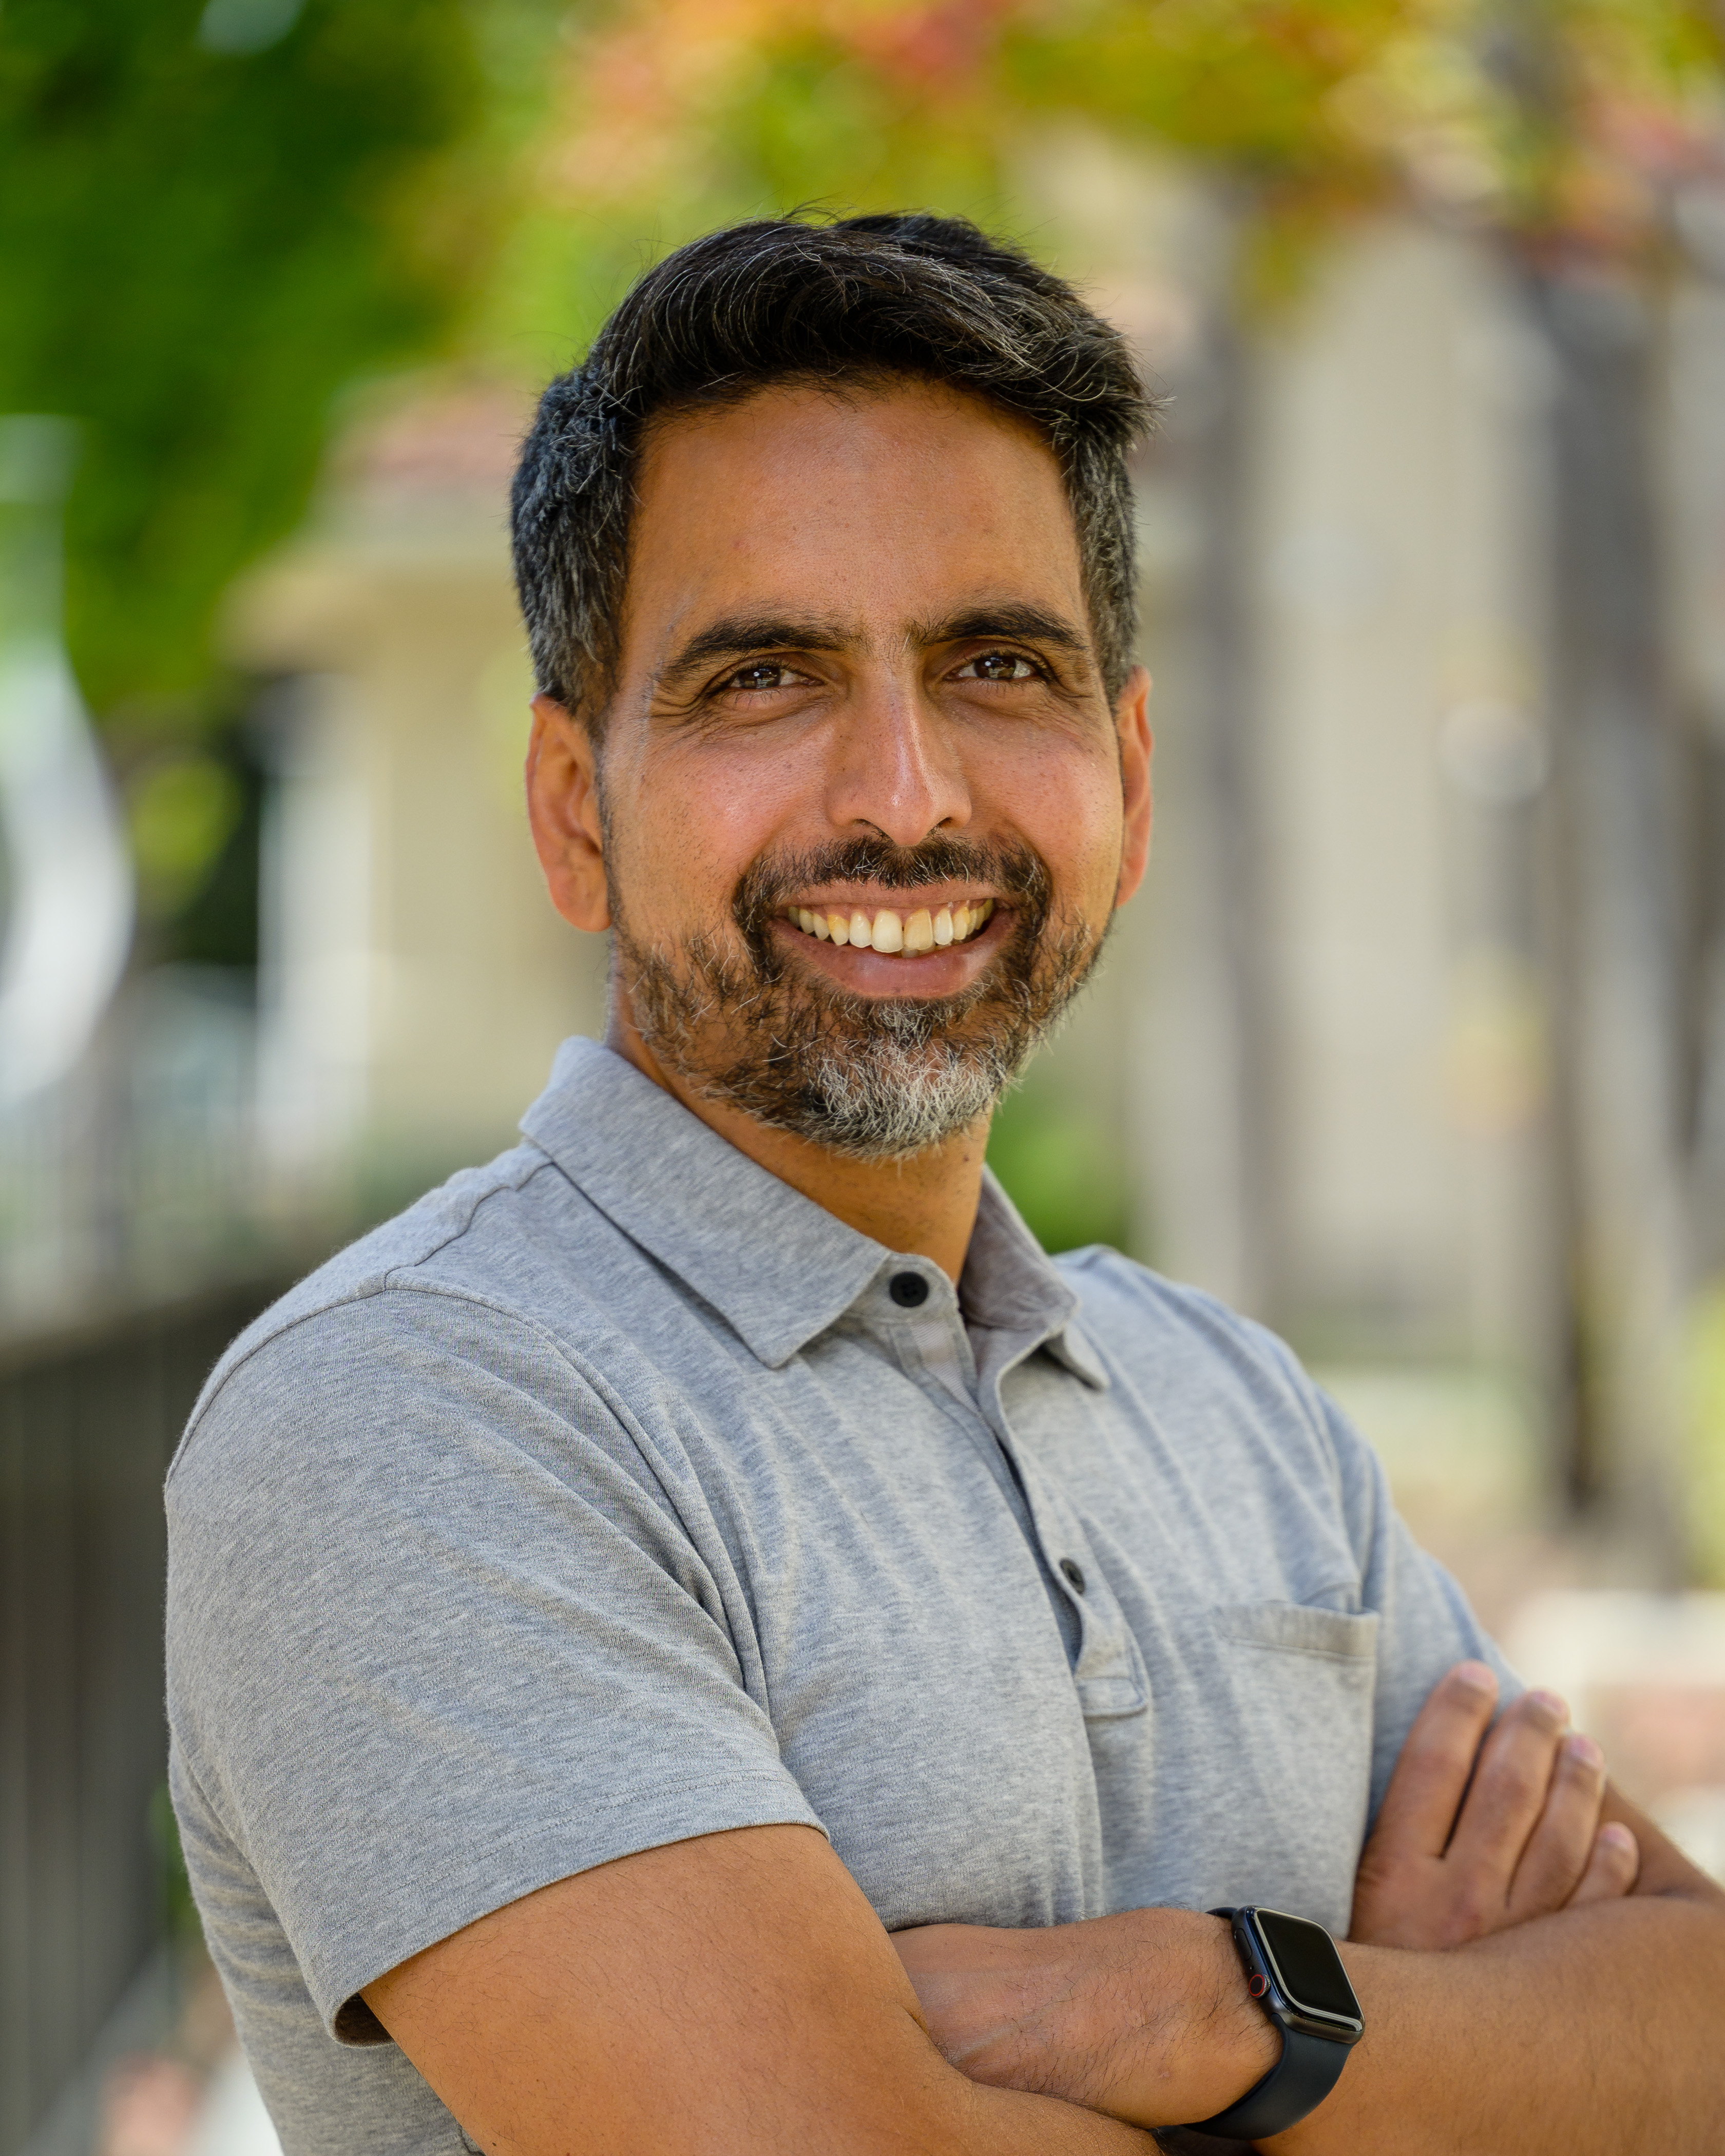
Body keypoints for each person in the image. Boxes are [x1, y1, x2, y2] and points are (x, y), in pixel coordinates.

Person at [165, 214, 1725, 2155]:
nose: (905, 793)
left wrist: (1236, 2008)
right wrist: (1424, 2056)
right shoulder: (412, 1417)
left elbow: (1697, 2027)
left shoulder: (1240, 1415)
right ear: (579, 812)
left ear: (1131, 779)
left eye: (999, 664)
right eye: (764, 678)